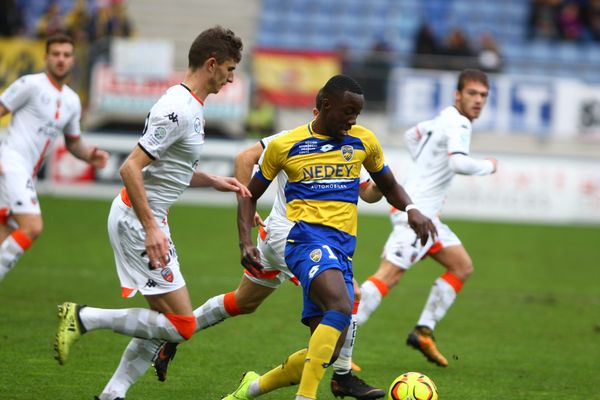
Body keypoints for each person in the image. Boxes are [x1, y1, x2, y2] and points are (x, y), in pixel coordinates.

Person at [52, 26, 248, 400]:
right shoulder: (178, 109)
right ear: (211, 64)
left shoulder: (190, 105)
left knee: (162, 323)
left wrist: (212, 180)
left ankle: (111, 395)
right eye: (229, 68)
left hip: (150, 220)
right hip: (139, 223)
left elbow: (167, 172)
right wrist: (151, 229)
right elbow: (130, 168)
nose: (231, 77)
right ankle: (83, 317)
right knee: (182, 325)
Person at [152, 96, 386, 400]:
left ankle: (175, 335)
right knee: (348, 295)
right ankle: (342, 376)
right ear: (320, 112)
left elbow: (367, 193)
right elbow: (244, 157)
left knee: (243, 302)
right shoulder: (291, 140)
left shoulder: (347, 145)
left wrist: (382, 181)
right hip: (292, 236)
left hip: (279, 237)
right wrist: (245, 206)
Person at [224, 74, 436, 400]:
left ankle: (248, 389)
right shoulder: (286, 144)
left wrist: (411, 209)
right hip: (302, 237)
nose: (353, 120)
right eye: (348, 112)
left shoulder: (363, 141)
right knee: (341, 302)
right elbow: (249, 194)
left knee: (328, 351)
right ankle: (305, 397)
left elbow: (389, 185)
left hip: (341, 246)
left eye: (358, 114)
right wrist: (245, 241)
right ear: (325, 105)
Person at [355, 69, 498, 368]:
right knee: (387, 276)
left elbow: (412, 134)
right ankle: (337, 342)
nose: (478, 100)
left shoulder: (444, 117)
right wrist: (488, 166)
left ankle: (423, 331)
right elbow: (458, 162)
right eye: (472, 93)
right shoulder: (458, 123)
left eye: (483, 95)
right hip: (416, 215)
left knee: (461, 266)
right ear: (458, 95)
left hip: (427, 215)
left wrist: (423, 165)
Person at [0, 32, 109, 282]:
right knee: (32, 227)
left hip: (25, 172)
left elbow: (73, 143)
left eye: (67, 55)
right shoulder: (30, 84)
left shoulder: (71, 100)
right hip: (11, 163)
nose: (61, 59)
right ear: (46, 57)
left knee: (6, 235)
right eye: (56, 54)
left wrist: (90, 156)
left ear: (73, 60)